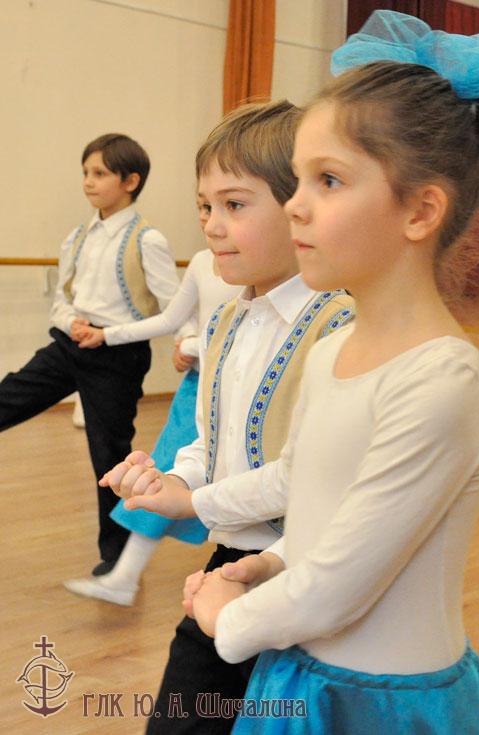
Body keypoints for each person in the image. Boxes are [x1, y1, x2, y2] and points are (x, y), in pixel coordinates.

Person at [104, 10, 479, 733]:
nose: (296, 205)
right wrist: (265, 558)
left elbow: (337, 586)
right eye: (298, 181)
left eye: (327, 180)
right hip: (303, 668)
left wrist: (226, 614)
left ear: (420, 211)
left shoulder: (441, 381)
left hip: (384, 702)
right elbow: (305, 487)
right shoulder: (334, 352)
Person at [103, 99, 354, 733]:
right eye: (204, 207)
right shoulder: (224, 322)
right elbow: (210, 440)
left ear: (301, 208)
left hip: (311, 583)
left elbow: (314, 477)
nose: (212, 226)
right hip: (229, 566)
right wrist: (173, 479)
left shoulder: (343, 328)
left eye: (235, 205)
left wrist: (193, 501)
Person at [0, 133, 178, 576]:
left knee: (109, 454)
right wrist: (72, 323)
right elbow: (63, 298)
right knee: (8, 397)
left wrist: (109, 335)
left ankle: (116, 557)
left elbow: (174, 311)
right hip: (70, 346)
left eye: (99, 173)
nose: (88, 181)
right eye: (85, 172)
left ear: (130, 181)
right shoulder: (78, 236)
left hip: (117, 359)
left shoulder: (148, 239)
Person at [63, 242, 241, 606]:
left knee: (182, 474)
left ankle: (129, 578)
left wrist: (193, 346)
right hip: (197, 387)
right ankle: (125, 577)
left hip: (232, 387)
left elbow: (244, 335)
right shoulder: (202, 261)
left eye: (228, 211)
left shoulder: (263, 262)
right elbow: (171, 319)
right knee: (165, 471)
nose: (210, 221)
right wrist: (107, 335)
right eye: (205, 212)